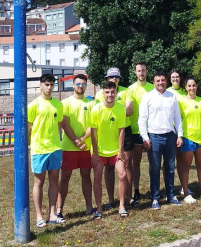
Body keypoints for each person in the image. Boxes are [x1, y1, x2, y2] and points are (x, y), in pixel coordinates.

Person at [27, 73, 80, 227]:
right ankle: (38, 216)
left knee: (54, 180)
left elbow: (58, 126)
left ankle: (51, 214)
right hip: (39, 150)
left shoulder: (58, 105)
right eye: (46, 84)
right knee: (39, 182)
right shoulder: (33, 105)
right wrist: (32, 144)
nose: (49, 88)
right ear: (40, 85)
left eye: (52, 85)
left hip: (55, 149)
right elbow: (28, 128)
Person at [138, 69, 183, 208]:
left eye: (163, 80)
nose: (160, 83)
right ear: (154, 82)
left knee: (170, 167)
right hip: (154, 137)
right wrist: (145, 138)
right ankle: (155, 198)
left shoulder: (172, 97)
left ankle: (171, 195)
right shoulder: (147, 97)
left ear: (166, 81)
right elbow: (142, 120)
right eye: (158, 81)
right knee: (155, 169)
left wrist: (179, 134)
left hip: (169, 136)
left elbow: (177, 117)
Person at [89, 80, 130, 218]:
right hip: (99, 151)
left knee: (123, 175)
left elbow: (121, 131)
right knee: (97, 177)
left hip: (115, 151)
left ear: (116, 93)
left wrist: (120, 151)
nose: (110, 95)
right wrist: (95, 153)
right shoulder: (96, 109)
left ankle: (122, 206)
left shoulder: (120, 109)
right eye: (107, 92)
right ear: (103, 93)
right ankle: (99, 209)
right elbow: (93, 133)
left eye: (112, 92)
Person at [56, 73, 94, 219]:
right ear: (73, 85)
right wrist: (75, 140)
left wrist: (83, 139)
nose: (80, 86)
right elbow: (65, 123)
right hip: (68, 147)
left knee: (86, 175)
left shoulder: (90, 103)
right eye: (78, 84)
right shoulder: (65, 103)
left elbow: (93, 124)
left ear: (86, 85)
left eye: (83, 84)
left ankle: (89, 207)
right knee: (65, 176)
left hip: (86, 147)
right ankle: (59, 210)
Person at [124, 62, 154, 206]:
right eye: (138, 71)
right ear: (135, 73)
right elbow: (129, 106)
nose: (141, 73)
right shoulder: (130, 89)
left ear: (146, 72)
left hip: (151, 130)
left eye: (143, 70)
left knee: (153, 162)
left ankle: (154, 189)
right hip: (136, 131)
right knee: (135, 163)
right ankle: (136, 190)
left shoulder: (152, 88)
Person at [177, 75, 201, 203]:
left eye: (194, 85)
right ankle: (186, 193)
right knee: (186, 166)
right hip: (188, 138)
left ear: (197, 86)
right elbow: (178, 119)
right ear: (185, 87)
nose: (192, 88)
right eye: (189, 85)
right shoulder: (181, 102)